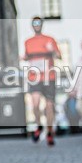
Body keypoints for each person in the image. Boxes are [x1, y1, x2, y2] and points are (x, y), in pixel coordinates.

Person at [23, 16, 62, 146]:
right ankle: (39, 127)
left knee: (49, 106)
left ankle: (50, 132)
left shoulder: (50, 40)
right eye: (34, 23)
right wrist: (23, 58)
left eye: (39, 23)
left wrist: (53, 51)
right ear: (32, 26)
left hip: (48, 77)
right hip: (34, 77)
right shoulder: (28, 42)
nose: (37, 25)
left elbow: (59, 56)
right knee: (34, 104)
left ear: (42, 25)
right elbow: (26, 56)